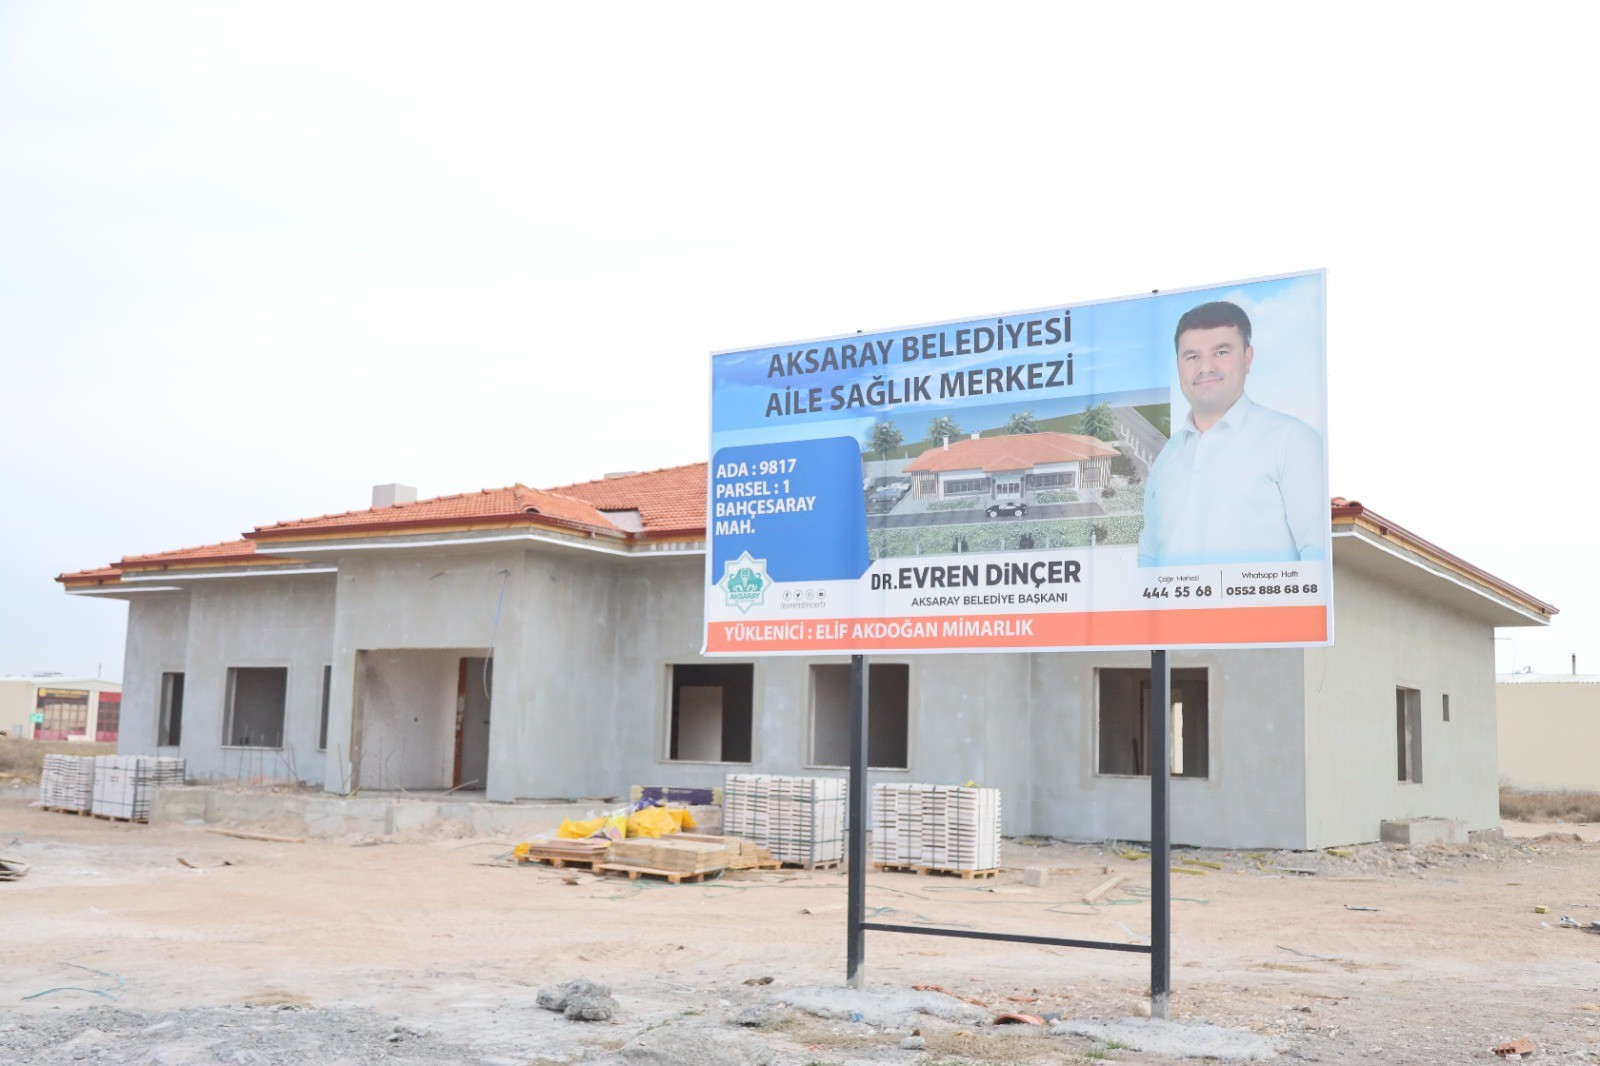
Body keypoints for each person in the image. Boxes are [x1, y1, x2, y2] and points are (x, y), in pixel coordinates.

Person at [1137, 300, 1325, 567]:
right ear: (1178, 365)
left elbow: (1317, 556)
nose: (1205, 367)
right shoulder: (1165, 460)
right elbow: (1149, 558)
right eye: (1192, 356)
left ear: (1248, 358)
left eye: (1221, 352)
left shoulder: (1293, 441)